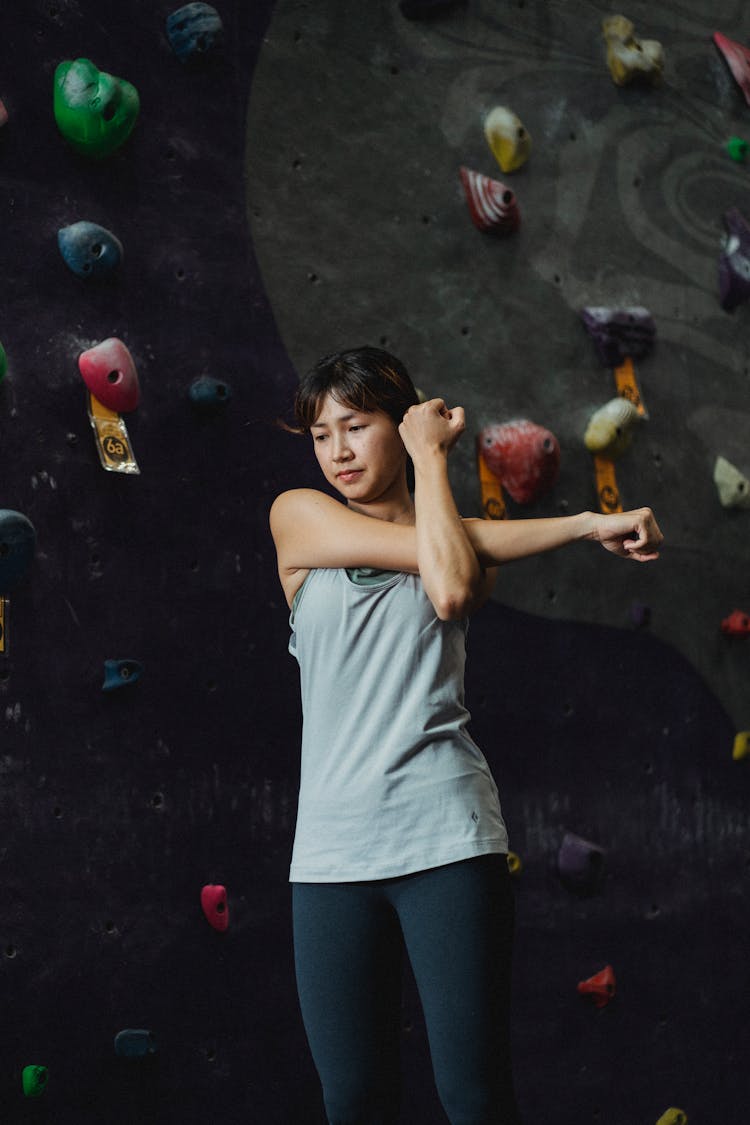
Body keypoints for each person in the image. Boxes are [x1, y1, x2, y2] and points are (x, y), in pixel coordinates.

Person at [269, 347, 663, 1125]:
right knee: (353, 1100)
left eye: (358, 425)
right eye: (321, 434)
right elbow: (449, 551)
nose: (339, 451)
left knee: (475, 1097)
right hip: (329, 855)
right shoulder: (298, 516)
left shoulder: (459, 546)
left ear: (401, 423)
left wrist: (434, 465)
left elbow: (449, 584)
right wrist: (582, 524)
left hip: (446, 838)